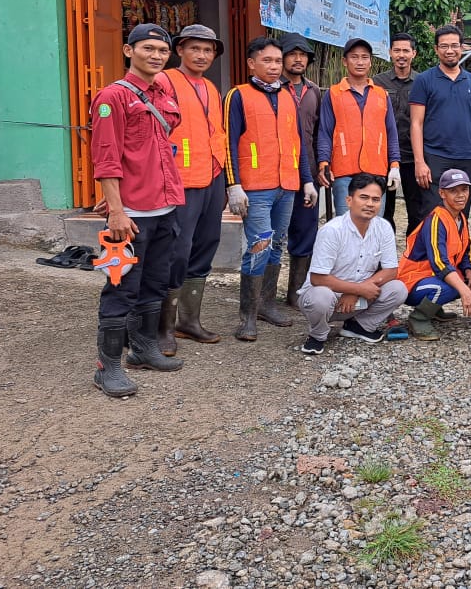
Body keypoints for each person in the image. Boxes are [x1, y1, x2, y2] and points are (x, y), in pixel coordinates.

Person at [89, 23, 184, 397]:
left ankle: (143, 350)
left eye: (162, 50)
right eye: (148, 48)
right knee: (121, 287)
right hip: (130, 215)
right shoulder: (113, 97)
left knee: (154, 282)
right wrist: (115, 209)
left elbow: (155, 149)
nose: (157, 56)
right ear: (130, 51)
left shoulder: (163, 93)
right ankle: (106, 367)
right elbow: (106, 159)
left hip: (164, 206)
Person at [224, 36, 317, 341]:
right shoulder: (238, 96)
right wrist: (233, 184)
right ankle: (247, 316)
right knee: (259, 244)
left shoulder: (289, 97)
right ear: (251, 63)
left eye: (278, 61)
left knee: (276, 245)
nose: (275, 67)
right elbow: (228, 143)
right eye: (268, 60)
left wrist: (306, 181)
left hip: (286, 186)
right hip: (256, 187)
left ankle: (266, 305)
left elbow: (299, 144)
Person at [160, 23, 226, 356]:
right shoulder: (165, 81)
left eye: (208, 50)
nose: (202, 55)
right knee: (177, 250)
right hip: (180, 178)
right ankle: (164, 326)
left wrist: (225, 177)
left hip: (212, 174)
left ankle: (190, 320)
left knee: (206, 244)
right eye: (195, 48)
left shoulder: (211, 88)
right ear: (180, 50)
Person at [296, 173, 409, 354]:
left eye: (375, 199)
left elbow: (391, 270)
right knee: (320, 297)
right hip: (329, 299)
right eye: (363, 197)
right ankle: (318, 335)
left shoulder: (384, 227)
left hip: (360, 299)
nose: (370, 204)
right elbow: (317, 278)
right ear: (349, 200)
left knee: (398, 288)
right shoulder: (332, 230)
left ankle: (358, 326)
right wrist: (356, 290)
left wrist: (358, 291)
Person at [409, 25, 471, 216]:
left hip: (467, 158)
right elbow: (416, 123)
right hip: (435, 156)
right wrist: (420, 162)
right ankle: (435, 246)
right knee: (434, 212)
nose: (449, 51)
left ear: (462, 48)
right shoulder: (424, 80)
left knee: (461, 212)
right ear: (436, 49)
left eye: (454, 45)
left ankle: (460, 247)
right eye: (444, 46)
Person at [317, 37, 400, 216]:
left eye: (364, 57)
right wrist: (324, 163)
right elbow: (325, 132)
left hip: (376, 171)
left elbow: (391, 132)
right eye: (354, 57)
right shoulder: (333, 94)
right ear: (345, 61)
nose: (360, 62)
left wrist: (394, 165)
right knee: (345, 227)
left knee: (373, 226)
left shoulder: (381, 95)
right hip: (343, 172)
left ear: (371, 62)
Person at [397, 169, 471, 340]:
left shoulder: (461, 218)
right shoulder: (436, 220)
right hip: (412, 281)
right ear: (442, 193)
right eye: (453, 191)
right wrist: (465, 291)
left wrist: (469, 270)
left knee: (470, 279)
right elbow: (440, 263)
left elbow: (466, 251)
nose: (460, 195)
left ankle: (434, 309)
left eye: (464, 190)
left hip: (432, 277)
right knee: (451, 286)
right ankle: (419, 318)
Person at [279, 32, 322, 307]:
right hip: (277, 171)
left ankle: (295, 291)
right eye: (292, 54)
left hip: (309, 170)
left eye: (303, 54)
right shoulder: (271, 88)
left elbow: (319, 132)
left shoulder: (314, 90)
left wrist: (320, 167)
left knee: (306, 229)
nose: (298, 59)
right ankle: (262, 298)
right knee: (273, 232)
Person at [374, 32, 422, 237]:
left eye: (406, 50)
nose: (401, 55)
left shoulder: (423, 82)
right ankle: (384, 256)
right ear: (390, 53)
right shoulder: (377, 82)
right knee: (384, 209)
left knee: (416, 209)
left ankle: (413, 257)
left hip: (414, 156)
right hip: (385, 156)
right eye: (397, 50)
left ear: (414, 53)